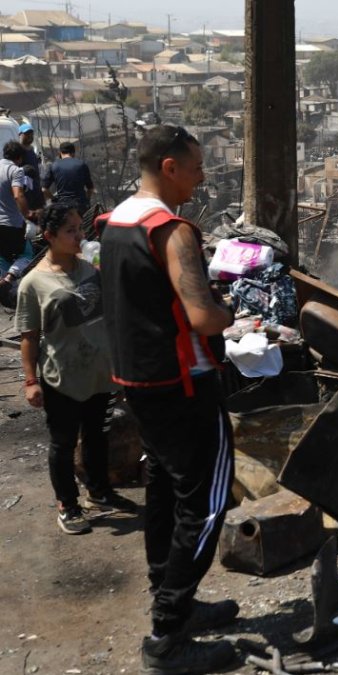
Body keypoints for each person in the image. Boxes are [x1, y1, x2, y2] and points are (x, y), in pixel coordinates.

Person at [101, 125, 238, 673]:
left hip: (137, 381)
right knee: (206, 503)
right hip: (185, 384)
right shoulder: (172, 230)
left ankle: (170, 598)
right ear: (169, 166)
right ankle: (166, 636)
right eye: (197, 167)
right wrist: (236, 315)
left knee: (164, 488)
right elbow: (203, 316)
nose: (203, 178)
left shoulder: (115, 222)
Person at [15, 203, 137, 534]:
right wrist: (30, 381)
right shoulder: (34, 283)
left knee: (97, 436)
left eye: (78, 228)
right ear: (49, 236)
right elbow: (29, 336)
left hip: (100, 372)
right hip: (62, 376)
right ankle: (67, 505)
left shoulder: (89, 270)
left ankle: (99, 493)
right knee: (63, 442)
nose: (78, 236)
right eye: (70, 231)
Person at [0, 141, 33, 294]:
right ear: (19, 158)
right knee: (27, 253)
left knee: (2, 255)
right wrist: (28, 215)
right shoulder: (16, 171)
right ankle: (9, 279)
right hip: (12, 224)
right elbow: (18, 194)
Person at [42, 141, 94, 212]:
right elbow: (90, 189)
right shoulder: (82, 165)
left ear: (60, 153)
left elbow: (44, 189)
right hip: (80, 205)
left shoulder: (53, 166)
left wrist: (54, 199)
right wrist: (86, 201)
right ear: (73, 152)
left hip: (63, 206)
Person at [18, 122, 46, 217]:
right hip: (26, 192)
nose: (30, 136)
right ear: (20, 135)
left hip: (36, 189)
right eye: (27, 134)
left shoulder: (32, 150)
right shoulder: (18, 150)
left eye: (31, 134)